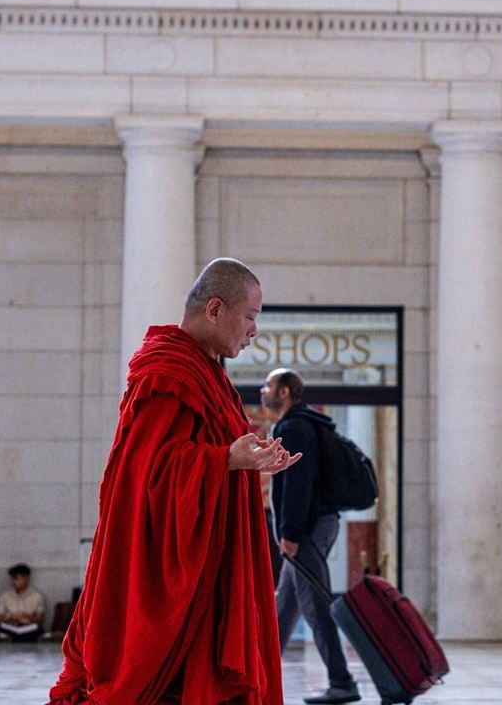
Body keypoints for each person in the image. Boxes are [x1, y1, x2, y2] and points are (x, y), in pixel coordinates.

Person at [49, 258, 301, 704]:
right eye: (250, 317)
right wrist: (225, 458)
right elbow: (145, 475)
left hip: (211, 565)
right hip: (174, 580)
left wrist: (249, 462)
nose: (253, 331)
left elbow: (204, 455)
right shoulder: (166, 372)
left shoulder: (210, 374)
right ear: (215, 309)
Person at [261, 368, 360, 705]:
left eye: (269, 386)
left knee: (314, 605)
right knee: (285, 605)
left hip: (307, 527)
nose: (265, 391)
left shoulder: (294, 427)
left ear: (285, 391)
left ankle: (342, 681)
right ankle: (258, 674)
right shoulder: (306, 424)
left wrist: (290, 533)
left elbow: (297, 485)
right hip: (315, 524)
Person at [0, 563, 45, 642]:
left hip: (29, 629)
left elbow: (39, 620)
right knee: (1, 632)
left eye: (16, 578)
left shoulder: (37, 596)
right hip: (10, 628)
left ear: (26, 578)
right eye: (12, 579)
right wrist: (11, 617)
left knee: (37, 631)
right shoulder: (5, 596)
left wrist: (26, 617)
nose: (13, 582)